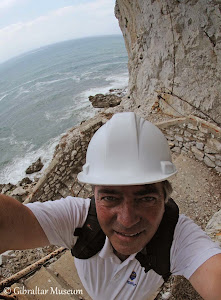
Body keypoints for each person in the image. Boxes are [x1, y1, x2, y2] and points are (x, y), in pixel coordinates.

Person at [0, 112, 221, 300]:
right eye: (110, 198)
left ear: (165, 198)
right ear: (94, 196)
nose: (127, 220)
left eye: (146, 199)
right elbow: (8, 223)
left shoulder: (178, 237)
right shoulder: (77, 218)